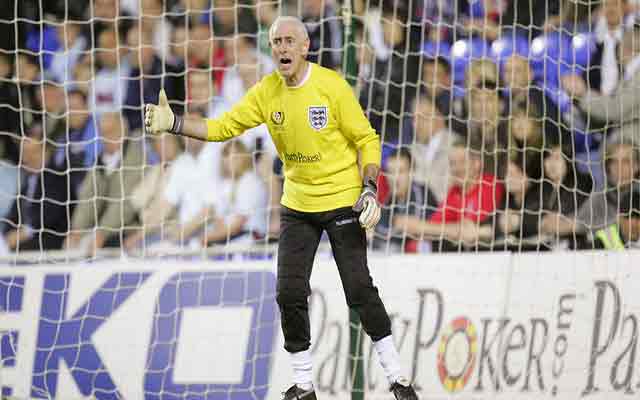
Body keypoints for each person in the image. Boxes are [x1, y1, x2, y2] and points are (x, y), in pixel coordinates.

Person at [144, 15, 419, 400]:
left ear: (305, 47)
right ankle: (304, 386)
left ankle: (398, 378)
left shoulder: (330, 86)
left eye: (290, 40)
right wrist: (174, 122)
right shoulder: (266, 92)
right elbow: (223, 127)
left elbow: (367, 139)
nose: (283, 47)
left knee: (358, 289)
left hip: (342, 199)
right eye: (276, 42)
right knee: (288, 293)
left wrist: (370, 188)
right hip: (297, 205)